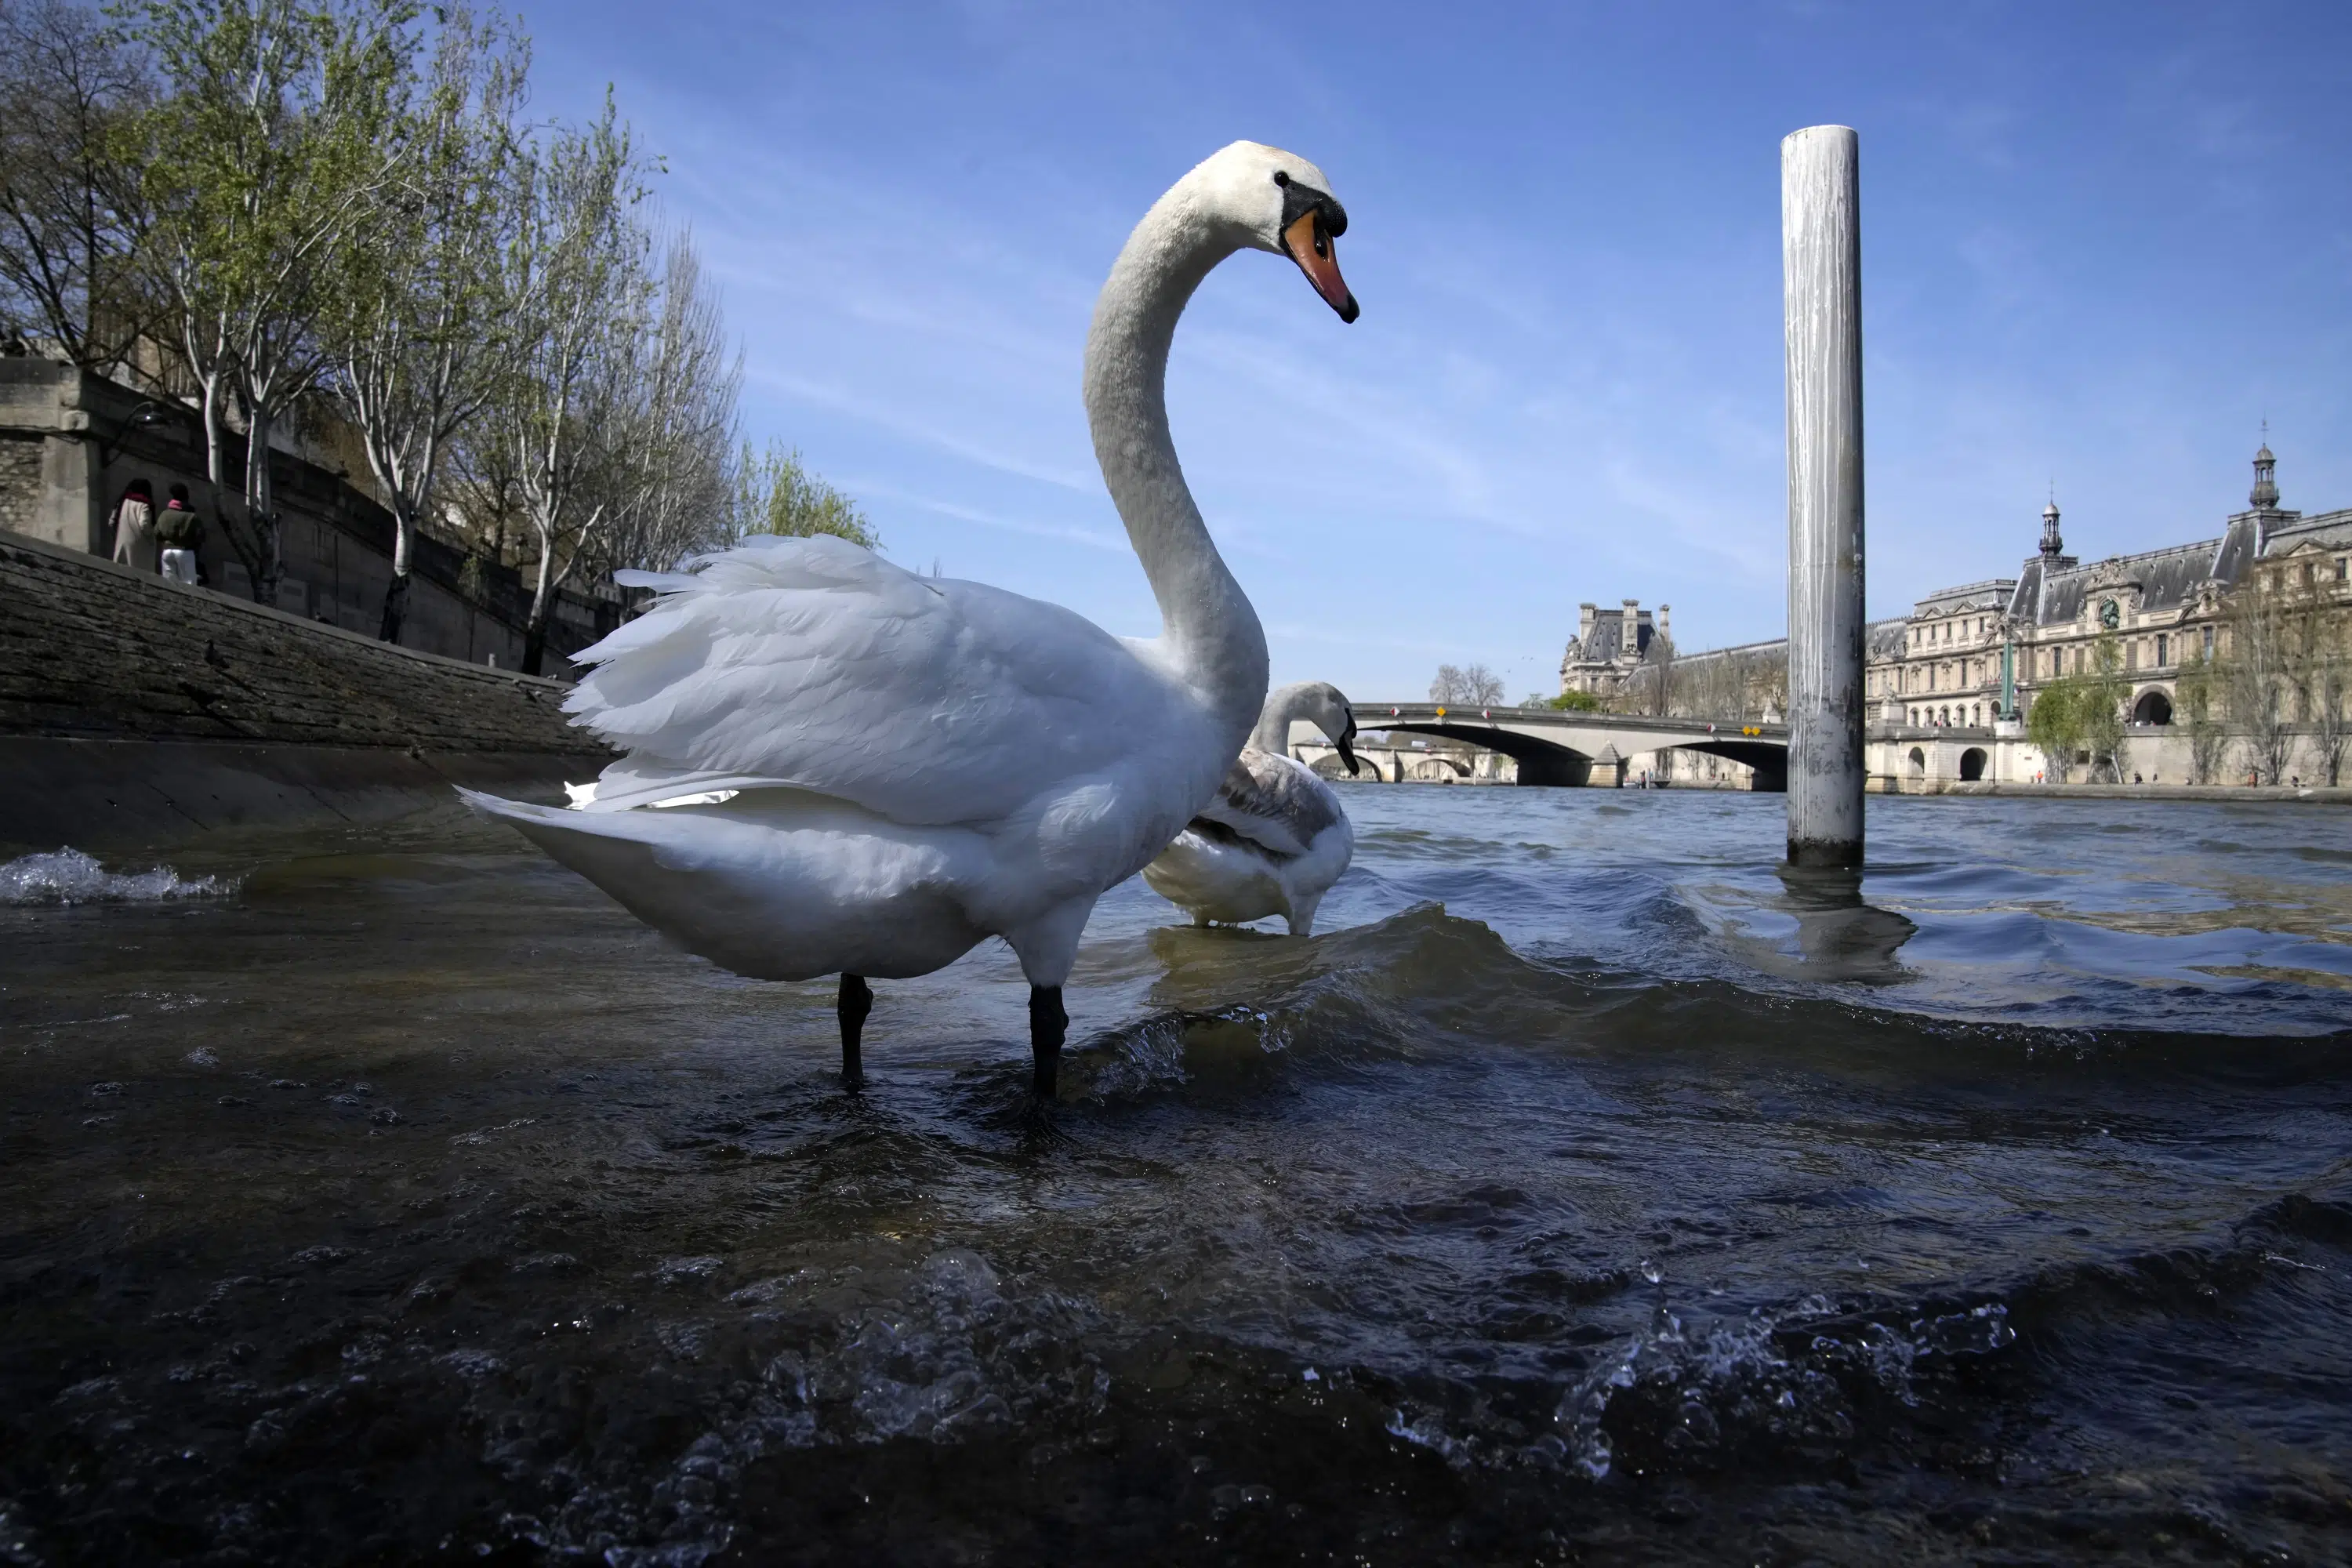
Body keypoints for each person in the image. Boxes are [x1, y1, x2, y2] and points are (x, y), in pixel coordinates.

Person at [154, 483, 206, 585]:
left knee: (169, 584)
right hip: (185, 551)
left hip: (167, 551)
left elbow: (157, 533)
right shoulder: (191, 516)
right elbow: (201, 536)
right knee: (189, 584)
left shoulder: (164, 514)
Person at [109, 478, 156, 572]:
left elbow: (111, 522)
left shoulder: (121, 502)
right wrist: (152, 536)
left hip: (121, 541)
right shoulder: (144, 504)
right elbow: (144, 525)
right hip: (139, 544)